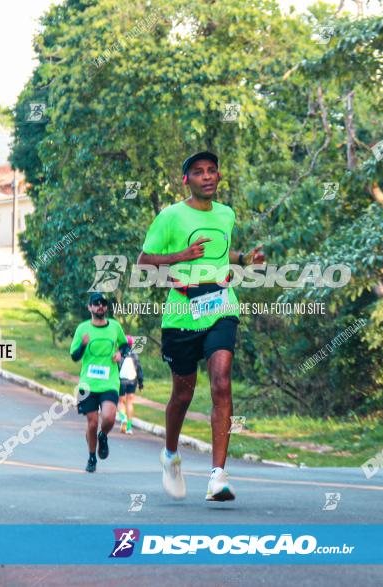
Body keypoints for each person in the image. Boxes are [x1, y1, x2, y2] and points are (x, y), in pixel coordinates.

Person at [137, 150, 264, 502]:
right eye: (198, 172)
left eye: (211, 171)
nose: (206, 176)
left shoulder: (226, 214)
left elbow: (221, 254)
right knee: (183, 393)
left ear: (218, 177)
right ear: (186, 180)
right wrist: (180, 256)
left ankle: (218, 476)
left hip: (222, 303)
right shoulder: (171, 217)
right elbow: (144, 261)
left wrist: (245, 259)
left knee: (221, 382)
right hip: (182, 311)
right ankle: (170, 455)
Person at [69, 292, 129, 473]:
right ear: (90, 307)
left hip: (109, 382)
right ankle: (92, 457)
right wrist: (83, 345)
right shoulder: (82, 329)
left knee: (110, 417)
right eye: (96, 304)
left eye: (103, 303)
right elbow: (74, 356)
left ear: (106, 307)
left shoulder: (115, 327)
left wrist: (121, 354)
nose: (100, 306)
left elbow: (125, 345)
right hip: (87, 384)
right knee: (92, 423)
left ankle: (103, 436)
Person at [118, 335, 144, 435]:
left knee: (120, 401)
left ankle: (123, 418)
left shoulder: (119, 353)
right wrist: (141, 383)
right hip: (133, 381)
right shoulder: (135, 354)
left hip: (121, 381)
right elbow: (139, 369)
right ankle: (129, 428)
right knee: (129, 403)